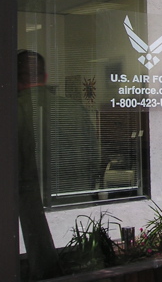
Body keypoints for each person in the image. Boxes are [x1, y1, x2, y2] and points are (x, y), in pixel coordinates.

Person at [18, 50, 98, 279]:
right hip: (79, 202)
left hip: (37, 205)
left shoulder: (12, 112)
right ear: (45, 77)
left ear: (16, 80)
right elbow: (94, 158)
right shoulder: (74, 109)